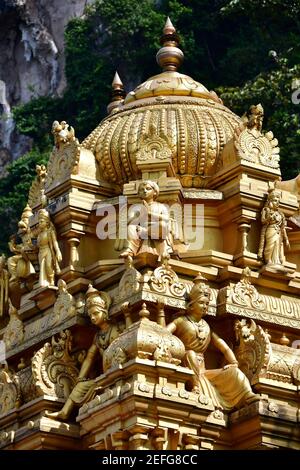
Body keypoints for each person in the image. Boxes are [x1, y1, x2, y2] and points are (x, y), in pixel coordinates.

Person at [166, 275, 258, 410]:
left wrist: (233, 362)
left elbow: (223, 346)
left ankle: (247, 395)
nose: (205, 306)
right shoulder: (181, 321)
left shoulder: (207, 326)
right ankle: (196, 386)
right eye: (202, 303)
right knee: (190, 354)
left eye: (207, 304)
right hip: (186, 364)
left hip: (203, 370)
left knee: (236, 373)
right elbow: (164, 334)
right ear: (191, 305)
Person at [46, 285, 124, 420]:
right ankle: (65, 411)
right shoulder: (97, 337)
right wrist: (80, 378)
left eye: (96, 313)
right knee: (80, 387)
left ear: (104, 311)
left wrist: (128, 315)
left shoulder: (116, 329)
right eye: (90, 315)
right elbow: (89, 357)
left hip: (120, 371)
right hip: (105, 376)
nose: (92, 318)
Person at [118, 180, 174, 260]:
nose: (144, 191)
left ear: (154, 192)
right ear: (139, 194)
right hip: (140, 229)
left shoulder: (161, 206)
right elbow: (129, 221)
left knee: (163, 225)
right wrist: (139, 216)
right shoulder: (136, 208)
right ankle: (130, 249)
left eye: (148, 188)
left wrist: (149, 214)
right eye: (141, 189)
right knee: (130, 227)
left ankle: (145, 232)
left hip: (154, 229)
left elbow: (166, 219)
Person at [258, 188, 290, 267]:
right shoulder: (266, 210)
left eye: (278, 201)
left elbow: (283, 227)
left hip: (278, 232)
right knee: (270, 245)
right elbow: (263, 221)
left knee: (277, 245)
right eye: (275, 201)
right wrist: (269, 218)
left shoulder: (280, 214)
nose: (277, 203)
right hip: (270, 230)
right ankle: (268, 260)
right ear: (270, 201)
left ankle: (276, 261)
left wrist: (286, 239)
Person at [37, 209, 62, 287]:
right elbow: (37, 245)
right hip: (41, 252)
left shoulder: (50, 231)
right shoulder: (39, 234)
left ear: (47, 223)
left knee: (48, 265)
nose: (39, 223)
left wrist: (58, 251)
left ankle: (51, 280)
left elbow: (55, 242)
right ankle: (45, 281)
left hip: (48, 250)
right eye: (39, 222)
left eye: (41, 221)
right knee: (42, 267)